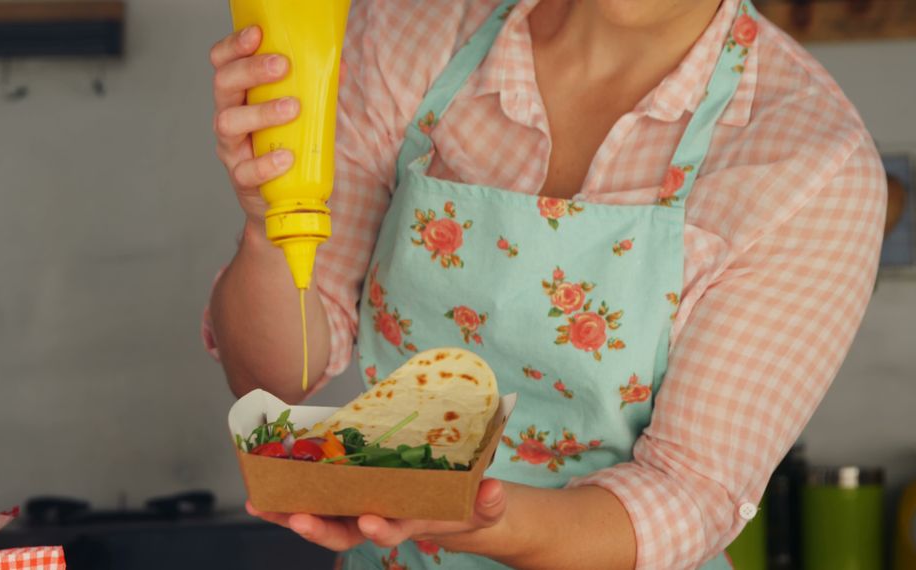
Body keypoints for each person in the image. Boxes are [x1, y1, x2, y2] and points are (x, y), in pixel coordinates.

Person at [204, 0, 887, 568]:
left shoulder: (811, 163)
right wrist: (269, 231)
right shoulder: (411, 36)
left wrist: (468, 515)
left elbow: (689, 493)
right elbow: (278, 372)